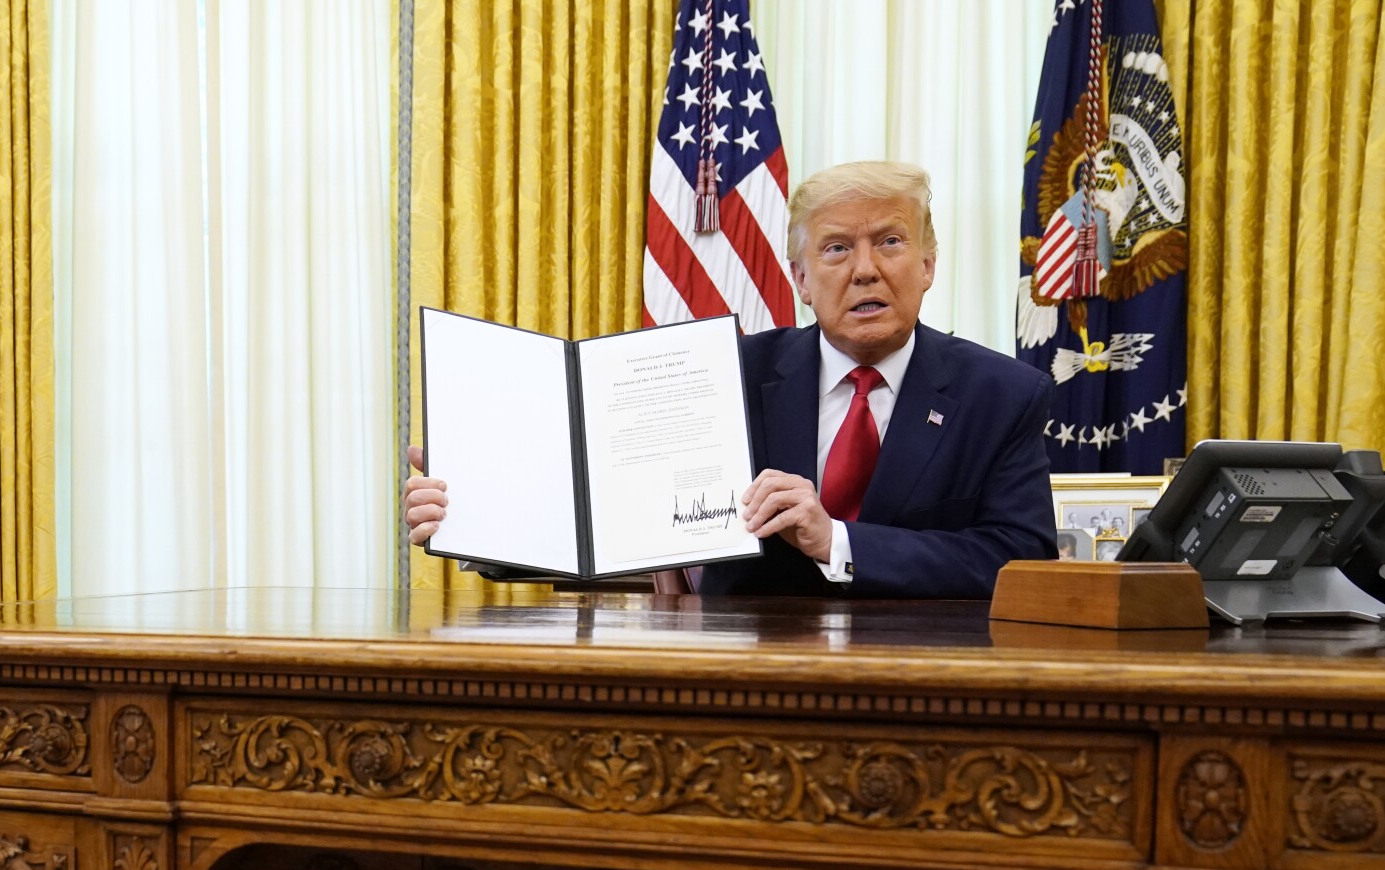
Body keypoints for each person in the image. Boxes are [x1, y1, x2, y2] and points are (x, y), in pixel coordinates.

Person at [404, 161, 1058, 598]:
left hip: (926, 692)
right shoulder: (725, 375)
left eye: (889, 242)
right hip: (741, 685)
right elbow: (606, 516)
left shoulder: (1001, 394)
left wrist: (838, 540)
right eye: (835, 249)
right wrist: (475, 513)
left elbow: (1021, 563)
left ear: (927, 265)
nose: (864, 269)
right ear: (800, 279)